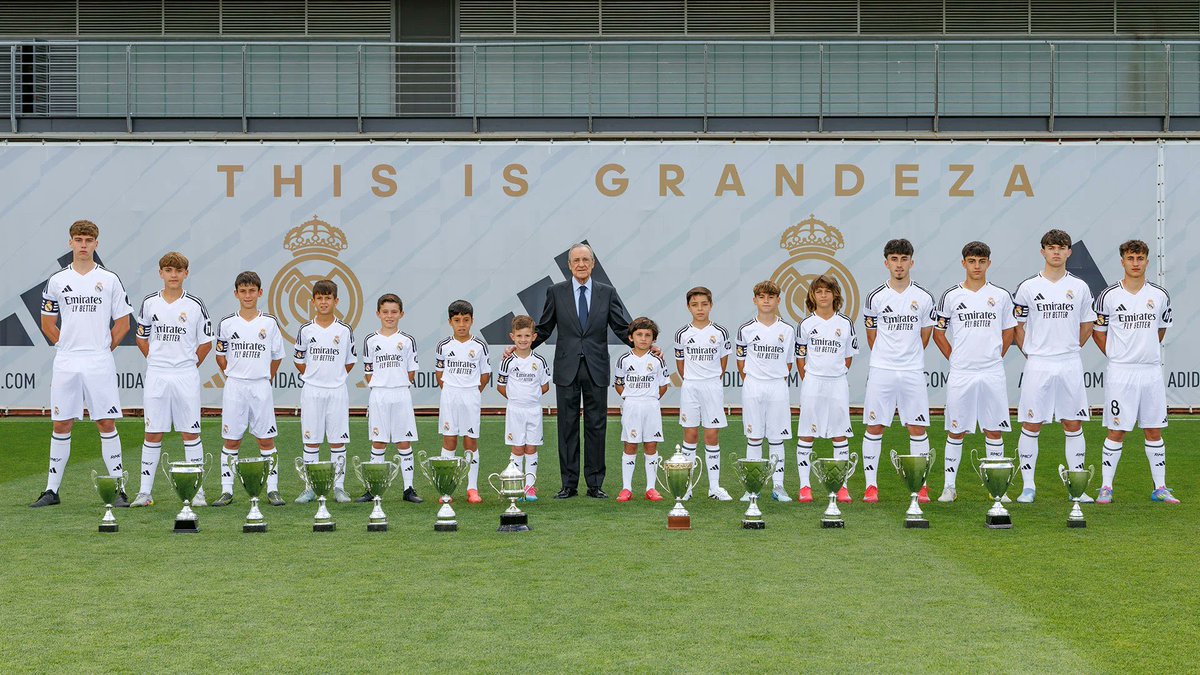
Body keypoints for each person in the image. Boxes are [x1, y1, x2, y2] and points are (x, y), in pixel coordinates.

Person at [32, 219, 133, 508]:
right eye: (78, 240)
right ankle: (51, 491)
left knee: (105, 420)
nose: (83, 245)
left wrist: (102, 348)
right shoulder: (58, 280)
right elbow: (47, 322)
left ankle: (118, 489)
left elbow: (123, 323)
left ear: (96, 244)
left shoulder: (110, 279)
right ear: (70, 243)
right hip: (67, 360)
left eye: (88, 240)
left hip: (99, 360)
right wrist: (64, 346)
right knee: (61, 422)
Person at [530, 243, 632, 499]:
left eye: (586, 259)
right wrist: (522, 347)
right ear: (569, 265)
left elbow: (622, 327)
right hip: (567, 368)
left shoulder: (607, 293)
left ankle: (595, 484)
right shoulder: (556, 292)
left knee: (597, 425)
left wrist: (646, 344)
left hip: (596, 368)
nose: (581, 264)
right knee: (567, 426)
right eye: (576, 260)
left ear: (593, 263)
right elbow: (544, 327)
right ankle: (569, 484)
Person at [1011, 229, 1096, 503]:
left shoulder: (1080, 287)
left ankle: (1076, 487)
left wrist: (1071, 349)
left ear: (1069, 252)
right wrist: (1031, 352)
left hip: (1069, 362)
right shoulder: (1028, 287)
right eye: (1051, 247)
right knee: (1031, 422)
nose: (1056, 252)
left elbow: (1087, 325)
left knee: (1072, 423)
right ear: (1043, 251)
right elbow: (1017, 325)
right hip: (1039, 364)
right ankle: (1028, 486)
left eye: (1061, 247)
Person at [1092, 240, 1178, 504]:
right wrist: (1118, 356)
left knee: (1153, 429)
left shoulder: (1160, 295)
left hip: (1150, 372)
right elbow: (1098, 333)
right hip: (1121, 373)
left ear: (1147, 261)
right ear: (1122, 261)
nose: (1135, 263)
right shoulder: (1108, 296)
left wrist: (1143, 350)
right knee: (1116, 431)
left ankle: (1160, 488)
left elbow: (1160, 331)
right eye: (1130, 258)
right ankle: (1106, 487)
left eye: (1140, 258)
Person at [932, 242, 1016, 503]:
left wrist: (994, 357)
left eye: (981, 261)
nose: (976, 266)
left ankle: (996, 488)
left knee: (994, 429)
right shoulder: (951, 296)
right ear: (963, 263)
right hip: (962, 373)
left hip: (991, 371)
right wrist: (955, 357)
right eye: (971, 261)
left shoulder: (1001, 296)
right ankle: (949, 487)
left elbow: (1009, 331)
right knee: (956, 429)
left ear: (989, 263)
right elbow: (938, 333)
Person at [130, 252, 214, 507]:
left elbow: (206, 343)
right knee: (153, 432)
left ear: (186, 274)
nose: (173, 275)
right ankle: (144, 493)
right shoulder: (149, 303)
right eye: (168, 270)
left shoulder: (195, 305)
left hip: (185, 374)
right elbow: (141, 338)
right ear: (161, 273)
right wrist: (156, 360)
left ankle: (197, 492)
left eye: (178, 270)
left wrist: (188, 364)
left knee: (191, 432)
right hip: (157, 374)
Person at [860, 238, 936, 504]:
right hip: (882, 369)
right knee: (874, 425)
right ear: (886, 263)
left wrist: (907, 356)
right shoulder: (875, 297)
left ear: (911, 262)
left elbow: (925, 336)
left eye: (904, 259)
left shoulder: (924, 297)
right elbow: (873, 338)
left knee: (916, 427)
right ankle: (871, 486)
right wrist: (888, 357)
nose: (899, 264)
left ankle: (921, 485)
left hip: (912, 370)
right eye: (894, 259)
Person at [211, 271, 285, 507]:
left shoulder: (270, 323)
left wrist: (265, 376)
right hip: (235, 387)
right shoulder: (227, 323)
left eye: (252, 290)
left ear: (260, 293)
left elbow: (276, 357)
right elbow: (220, 356)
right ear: (236, 294)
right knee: (231, 441)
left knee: (266, 440)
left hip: (261, 386)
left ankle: (272, 490)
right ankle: (226, 491)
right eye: (243, 291)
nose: (248, 295)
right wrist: (233, 375)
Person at [795, 276, 858, 504]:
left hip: (837, 382)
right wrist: (810, 378)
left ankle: (841, 487)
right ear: (813, 295)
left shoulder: (845, 323)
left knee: (839, 432)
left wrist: (836, 373)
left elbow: (848, 357)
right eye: (818, 291)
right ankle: (805, 486)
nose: (823, 295)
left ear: (835, 295)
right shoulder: (805, 325)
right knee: (806, 432)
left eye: (827, 291)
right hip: (813, 382)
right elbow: (800, 357)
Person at [292, 279, 356, 504]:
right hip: (312, 391)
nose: (323, 302)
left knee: (338, 441)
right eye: (319, 298)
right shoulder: (306, 330)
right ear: (312, 301)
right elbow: (298, 360)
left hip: (337, 391)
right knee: (311, 441)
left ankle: (338, 487)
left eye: (328, 298)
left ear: (336, 301)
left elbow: (349, 362)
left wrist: (335, 375)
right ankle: (311, 487)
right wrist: (314, 376)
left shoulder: (345, 330)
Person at [357, 293, 423, 504]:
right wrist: (382, 383)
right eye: (385, 312)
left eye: (394, 312)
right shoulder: (370, 340)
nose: (389, 316)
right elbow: (368, 372)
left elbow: (411, 371)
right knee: (379, 441)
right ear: (378, 313)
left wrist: (397, 382)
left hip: (401, 394)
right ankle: (374, 489)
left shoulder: (407, 340)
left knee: (403, 441)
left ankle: (408, 489)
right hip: (379, 395)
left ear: (401, 314)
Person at [736, 280, 795, 502]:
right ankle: (752, 487)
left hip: (777, 386)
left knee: (777, 438)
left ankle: (778, 486)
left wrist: (773, 376)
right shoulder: (746, 329)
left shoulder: (787, 330)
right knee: (754, 437)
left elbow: (788, 362)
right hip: (753, 385)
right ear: (755, 300)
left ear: (778, 300)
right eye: (762, 297)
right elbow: (740, 362)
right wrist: (754, 379)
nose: (766, 301)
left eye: (771, 297)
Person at [673, 286, 734, 501]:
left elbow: (723, 363)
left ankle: (714, 487)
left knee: (711, 435)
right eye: (695, 305)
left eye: (704, 304)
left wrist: (710, 379)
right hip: (691, 387)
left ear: (711, 305)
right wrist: (691, 380)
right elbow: (680, 365)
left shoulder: (720, 332)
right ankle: (687, 487)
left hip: (712, 387)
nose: (700, 309)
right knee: (690, 435)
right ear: (688, 307)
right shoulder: (682, 333)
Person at [436, 299, 492, 504]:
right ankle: (447, 488)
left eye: (465, 320)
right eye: (457, 320)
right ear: (450, 322)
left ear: (472, 321)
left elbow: (485, 374)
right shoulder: (443, 345)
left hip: (471, 396)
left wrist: (473, 392)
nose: (461, 324)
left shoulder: (479, 346)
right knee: (449, 441)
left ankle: (472, 488)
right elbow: (439, 372)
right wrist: (451, 391)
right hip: (450, 396)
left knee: (470, 441)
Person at [614, 317, 669, 502]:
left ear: (653, 339)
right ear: (631, 337)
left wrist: (651, 398)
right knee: (630, 444)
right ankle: (626, 488)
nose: (643, 338)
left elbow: (663, 385)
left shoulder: (658, 360)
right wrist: (629, 398)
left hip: (651, 405)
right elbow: (618, 384)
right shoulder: (623, 359)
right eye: (639, 334)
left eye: (648, 335)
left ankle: (651, 488)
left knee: (651, 445)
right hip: (631, 406)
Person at [497, 315, 551, 502]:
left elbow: (544, 387)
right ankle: (517, 485)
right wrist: (516, 399)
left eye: (527, 336)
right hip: (515, 410)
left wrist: (530, 398)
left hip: (534, 410)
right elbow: (501, 386)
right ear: (512, 336)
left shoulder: (540, 361)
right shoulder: (507, 360)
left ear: (534, 337)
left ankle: (530, 487)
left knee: (531, 448)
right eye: (519, 336)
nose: (523, 340)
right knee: (518, 448)